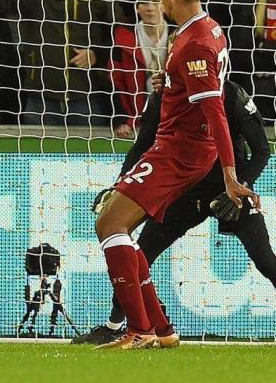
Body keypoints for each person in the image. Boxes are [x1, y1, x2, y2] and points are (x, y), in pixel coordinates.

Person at [93, 0, 257, 350]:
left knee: (110, 225)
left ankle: (139, 330)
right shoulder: (207, 29)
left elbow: (214, 108)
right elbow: (196, 88)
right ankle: (162, 330)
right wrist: (169, 84)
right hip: (177, 144)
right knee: (122, 232)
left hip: (181, 150)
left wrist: (230, 174)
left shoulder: (195, 43)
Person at [77, 80, 273, 345]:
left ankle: (142, 328)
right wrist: (119, 184)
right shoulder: (162, 96)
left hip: (229, 192)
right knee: (134, 253)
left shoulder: (230, 96)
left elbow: (262, 150)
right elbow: (142, 146)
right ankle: (117, 324)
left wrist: (242, 185)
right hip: (183, 192)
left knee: (265, 260)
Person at [110, 0, 169, 137]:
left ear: (163, 5)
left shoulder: (179, 35)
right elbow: (116, 82)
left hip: (173, 118)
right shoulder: (122, 39)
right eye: (143, 3)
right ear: (136, 8)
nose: (150, 8)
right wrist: (123, 119)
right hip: (137, 121)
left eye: (155, 2)